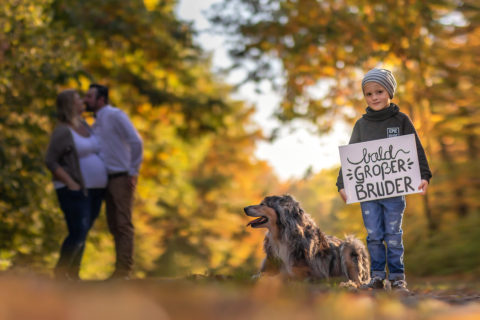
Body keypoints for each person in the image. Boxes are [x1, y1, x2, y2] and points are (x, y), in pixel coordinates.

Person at [336, 68, 432, 292]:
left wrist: (424, 175)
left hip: (395, 192)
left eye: (379, 91)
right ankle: (377, 277)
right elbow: (351, 156)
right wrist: (342, 183)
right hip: (369, 194)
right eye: (368, 94)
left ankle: (398, 277)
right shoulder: (361, 125)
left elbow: (416, 149)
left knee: (393, 234)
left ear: (389, 92)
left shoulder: (401, 120)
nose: (374, 97)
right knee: (374, 235)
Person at [45, 89, 107, 280]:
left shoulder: (84, 125)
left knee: (84, 231)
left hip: (95, 190)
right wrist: (70, 182)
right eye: (78, 99)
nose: (82, 101)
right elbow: (50, 160)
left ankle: (73, 275)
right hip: (73, 189)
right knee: (78, 230)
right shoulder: (63, 130)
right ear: (70, 105)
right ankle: (61, 272)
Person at [84, 84, 143, 279]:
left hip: (120, 177)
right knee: (113, 224)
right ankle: (119, 270)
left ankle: (124, 271)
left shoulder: (115, 115)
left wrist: (133, 171)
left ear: (101, 99)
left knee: (123, 223)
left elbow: (136, 142)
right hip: (103, 180)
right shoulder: (96, 123)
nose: (86, 100)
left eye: (90, 96)